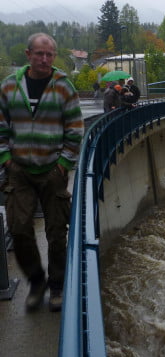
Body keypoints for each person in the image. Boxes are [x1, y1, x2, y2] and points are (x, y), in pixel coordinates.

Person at [0, 32, 84, 312]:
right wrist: (6, 160)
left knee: (57, 231)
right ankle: (37, 281)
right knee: (19, 228)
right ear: (28, 55)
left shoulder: (63, 86)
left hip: (52, 170)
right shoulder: (9, 86)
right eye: (39, 54)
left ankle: (57, 286)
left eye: (49, 54)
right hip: (19, 170)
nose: (45, 59)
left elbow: (75, 129)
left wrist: (64, 165)